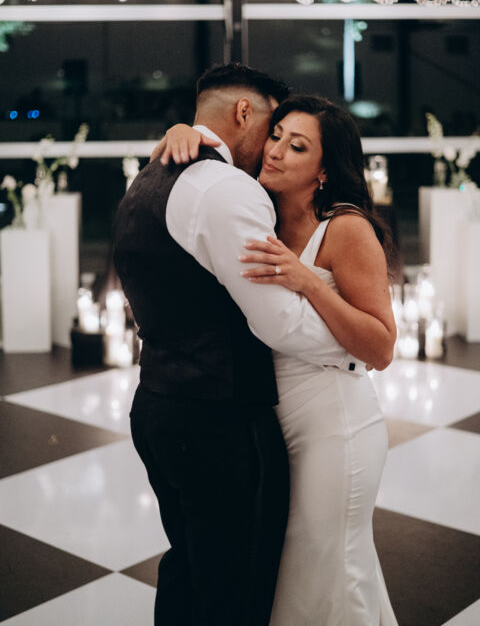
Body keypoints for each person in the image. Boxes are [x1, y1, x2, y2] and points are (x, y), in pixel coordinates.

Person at [113, 65, 367, 626]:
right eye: (273, 131)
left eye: (292, 143)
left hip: (158, 404)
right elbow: (281, 326)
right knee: (233, 592)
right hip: (218, 421)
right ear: (245, 113)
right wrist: (355, 351)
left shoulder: (150, 177)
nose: (272, 149)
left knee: (189, 570)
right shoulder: (227, 189)